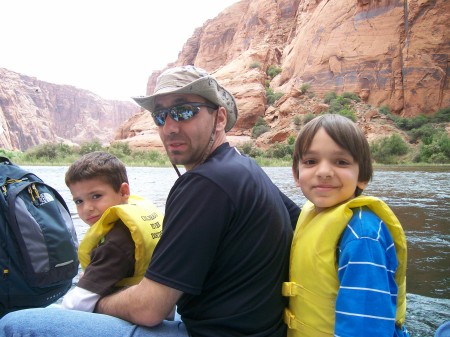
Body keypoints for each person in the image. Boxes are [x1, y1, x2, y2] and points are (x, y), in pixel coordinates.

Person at [0, 65, 300, 337]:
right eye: (161, 115)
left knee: (14, 326)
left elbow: (149, 309)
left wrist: (97, 302)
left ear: (219, 118)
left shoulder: (204, 183)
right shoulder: (246, 168)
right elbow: (298, 218)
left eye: (184, 111)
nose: (169, 127)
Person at [283, 114, 409, 336]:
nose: (323, 172)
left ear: (363, 176)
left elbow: (365, 328)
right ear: (296, 173)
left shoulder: (362, 235)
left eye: (341, 162)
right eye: (310, 162)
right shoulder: (311, 212)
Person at [61, 151, 164, 312]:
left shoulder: (115, 242)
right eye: (79, 201)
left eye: (96, 196)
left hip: (136, 321)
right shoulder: (130, 221)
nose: (87, 208)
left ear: (123, 192)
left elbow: (76, 305)